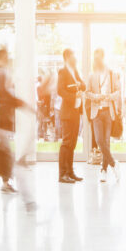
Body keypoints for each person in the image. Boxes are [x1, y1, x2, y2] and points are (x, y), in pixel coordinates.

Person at [0, 47, 36, 213]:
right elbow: (5, 98)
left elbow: (3, 97)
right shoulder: (0, 73)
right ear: (3, 58)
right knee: (10, 162)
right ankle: (28, 201)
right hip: (0, 124)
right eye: (7, 57)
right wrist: (25, 106)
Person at [86, 48, 121, 183]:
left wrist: (109, 96)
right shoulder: (91, 75)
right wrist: (96, 97)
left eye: (99, 58)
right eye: (95, 58)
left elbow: (118, 91)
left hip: (108, 111)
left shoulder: (111, 73)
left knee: (106, 142)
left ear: (103, 57)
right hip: (96, 112)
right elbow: (87, 92)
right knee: (100, 141)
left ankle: (104, 170)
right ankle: (114, 164)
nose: (97, 60)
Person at [57, 48, 86, 184]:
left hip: (76, 112)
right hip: (67, 112)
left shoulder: (75, 71)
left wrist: (80, 85)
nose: (76, 57)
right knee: (67, 143)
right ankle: (62, 174)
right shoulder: (63, 72)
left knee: (73, 143)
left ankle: (70, 172)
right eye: (74, 55)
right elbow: (60, 90)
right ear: (68, 56)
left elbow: (84, 86)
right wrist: (74, 96)